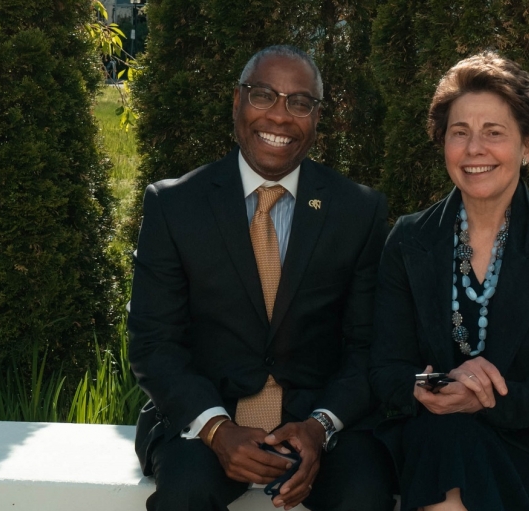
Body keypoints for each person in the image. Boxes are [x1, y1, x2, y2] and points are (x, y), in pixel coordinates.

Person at [128, 45, 396, 511]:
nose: (280, 116)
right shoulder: (175, 207)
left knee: (365, 494)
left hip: (320, 425)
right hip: (206, 420)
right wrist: (216, 429)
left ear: (316, 118)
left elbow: (368, 346)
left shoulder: (357, 211)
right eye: (263, 96)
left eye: (300, 102)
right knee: (185, 493)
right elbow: (154, 343)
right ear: (237, 102)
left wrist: (321, 426)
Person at [369, 51, 529, 511]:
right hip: (440, 427)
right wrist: (437, 385)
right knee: (445, 437)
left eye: (494, 133)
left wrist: (485, 401)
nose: (474, 149)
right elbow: (386, 370)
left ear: (526, 146)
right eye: (459, 133)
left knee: (450, 449)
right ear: (442, 143)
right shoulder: (409, 240)